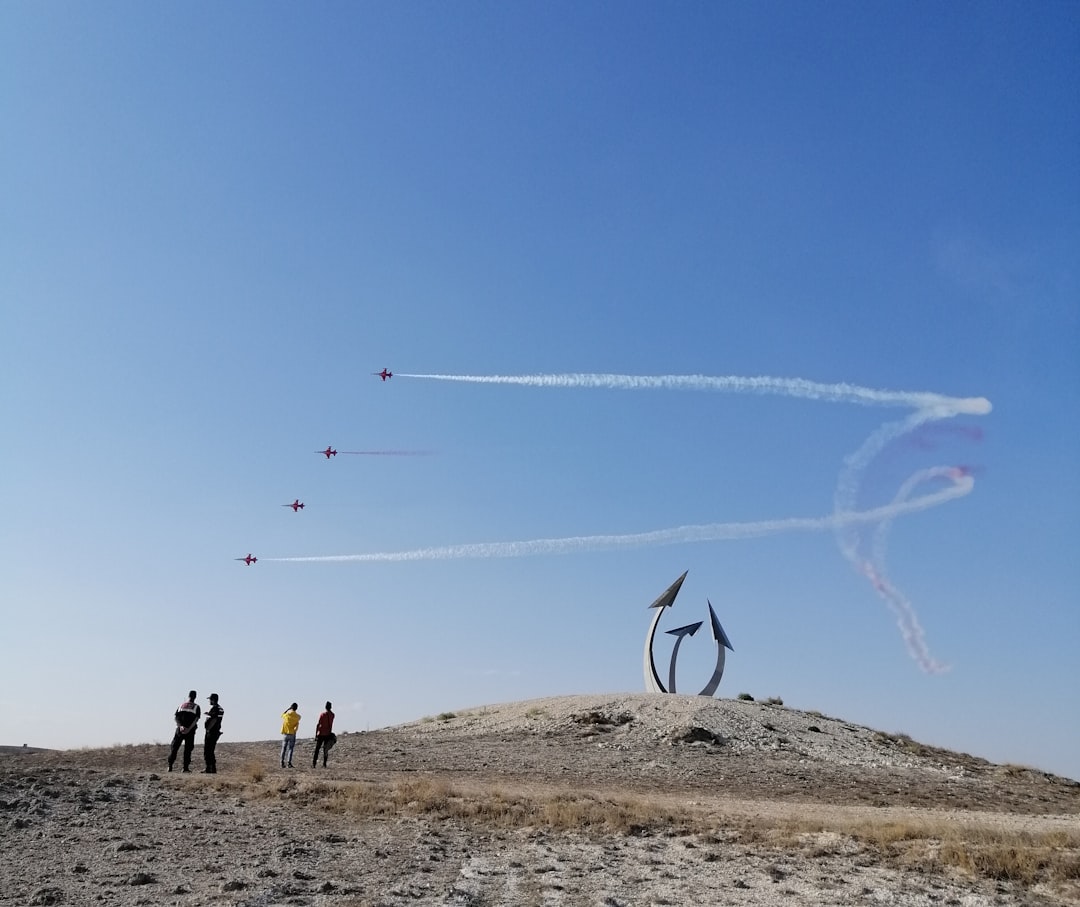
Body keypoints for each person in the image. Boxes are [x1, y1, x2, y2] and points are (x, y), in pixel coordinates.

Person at [168, 691, 201, 773]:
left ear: (188, 696)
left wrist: (180, 726)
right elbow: (196, 720)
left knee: (174, 748)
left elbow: (176, 717)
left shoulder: (181, 705)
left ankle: (170, 766)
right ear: (195, 697)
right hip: (190, 731)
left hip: (180, 730)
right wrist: (189, 729)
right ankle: (185, 768)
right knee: (188, 749)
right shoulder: (196, 707)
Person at [202, 693, 224, 773]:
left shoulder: (215, 708)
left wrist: (208, 728)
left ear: (213, 700)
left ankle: (209, 768)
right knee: (211, 750)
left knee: (208, 750)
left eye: (210, 699)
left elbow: (214, 719)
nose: (209, 701)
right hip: (215, 731)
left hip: (211, 732)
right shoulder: (220, 708)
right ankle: (212, 768)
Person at [312, 701, 335, 768]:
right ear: (331, 707)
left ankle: (314, 763)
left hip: (321, 733)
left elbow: (318, 724)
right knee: (325, 749)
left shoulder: (322, 714)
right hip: (328, 734)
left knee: (317, 749)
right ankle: (324, 764)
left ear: (325, 707)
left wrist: (316, 734)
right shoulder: (332, 715)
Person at [280, 703, 300, 768]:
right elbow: (299, 719)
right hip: (292, 733)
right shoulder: (297, 716)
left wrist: (288, 709)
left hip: (285, 733)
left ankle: (282, 762)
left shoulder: (287, 715)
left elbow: (282, 715)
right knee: (290, 749)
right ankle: (289, 763)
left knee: (284, 748)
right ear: (296, 708)